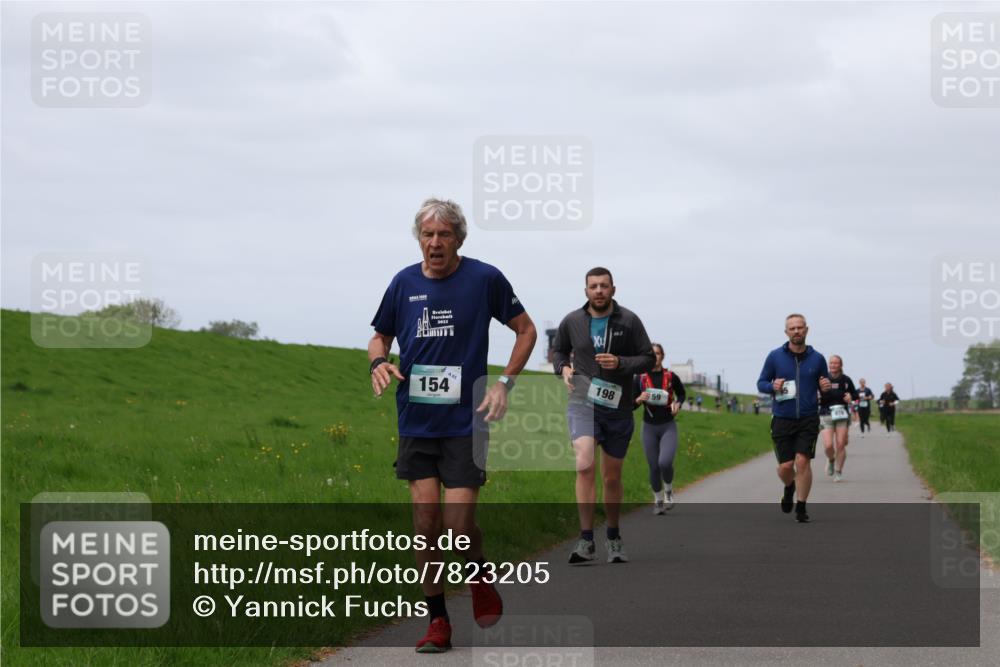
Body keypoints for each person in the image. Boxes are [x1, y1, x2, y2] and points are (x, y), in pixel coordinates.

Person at [369, 198, 537, 653]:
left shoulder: (485, 279)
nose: (435, 242)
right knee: (426, 524)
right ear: (419, 239)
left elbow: (526, 330)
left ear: (459, 239)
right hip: (417, 421)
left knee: (458, 529)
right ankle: (438, 621)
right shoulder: (403, 283)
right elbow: (379, 336)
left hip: (467, 421)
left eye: (444, 234)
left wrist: (503, 383)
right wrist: (378, 362)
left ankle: (478, 572)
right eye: (428, 234)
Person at [552, 267, 654, 564]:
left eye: (604, 286)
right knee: (584, 463)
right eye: (593, 286)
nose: (598, 290)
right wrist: (564, 369)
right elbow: (559, 351)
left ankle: (613, 535)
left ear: (613, 290)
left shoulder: (629, 320)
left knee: (611, 477)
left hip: (618, 407)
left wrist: (620, 362)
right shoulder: (572, 321)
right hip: (582, 402)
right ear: (586, 290)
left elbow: (648, 358)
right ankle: (586, 540)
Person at [756, 313, 831, 523]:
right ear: (786, 332)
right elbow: (761, 383)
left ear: (807, 330)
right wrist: (772, 386)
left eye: (800, 327)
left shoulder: (818, 359)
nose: (797, 331)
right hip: (782, 418)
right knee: (786, 466)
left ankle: (801, 507)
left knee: (802, 461)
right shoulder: (775, 356)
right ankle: (789, 487)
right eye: (792, 328)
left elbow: (824, 387)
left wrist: (825, 387)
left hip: (808, 418)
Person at [634, 343, 686, 514]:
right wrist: (639, 399)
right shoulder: (639, 379)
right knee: (654, 467)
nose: (654, 356)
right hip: (649, 427)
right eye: (651, 354)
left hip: (667, 425)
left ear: (662, 356)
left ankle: (668, 490)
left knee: (664, 462)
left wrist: (678, 404)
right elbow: (631, 404)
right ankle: (658, 501)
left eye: (657, 353)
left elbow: (682, 394)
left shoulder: (671, 376)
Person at [818, 355, 856, 483]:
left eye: (836, 363)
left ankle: (839, 471)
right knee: (828, 445)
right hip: (826, 414)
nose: (833, 365)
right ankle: (831, 460)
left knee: (841, 444)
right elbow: (815, 393)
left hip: (842, 414)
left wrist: (851, 397)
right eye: (831, 363)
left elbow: (855, 394)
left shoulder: (846, 380)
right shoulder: (823, 379)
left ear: (841, 365)